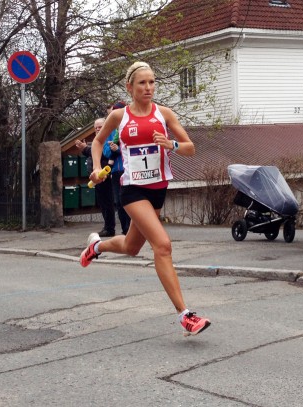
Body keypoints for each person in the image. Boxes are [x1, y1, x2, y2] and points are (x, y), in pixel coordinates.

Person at [79, 61, 211, 336]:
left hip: (158, 189)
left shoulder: (164, 114)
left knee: (131, 247)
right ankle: (185, 315)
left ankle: (96, 247)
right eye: (142, 83)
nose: (148, 87)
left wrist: (171, 144)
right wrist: (95, 167)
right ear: (130, 87)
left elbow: (190, 148)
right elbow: (98, 141)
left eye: (152, 82)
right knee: (162, 245)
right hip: (132, 190)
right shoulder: (119, 117)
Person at [75, 118, 116, 237]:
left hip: (104, 176)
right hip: (96, 179)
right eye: (96, 127)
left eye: (100, 126)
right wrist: (84, 149)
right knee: (103, 203)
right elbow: (92, 153)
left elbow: (102, 154)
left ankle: (109, 229)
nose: (98, 129)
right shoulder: (96, 140)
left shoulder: (108, 139)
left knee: (107, 203)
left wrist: (85, 148)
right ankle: (107, 227)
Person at [104, 101, 131, 235]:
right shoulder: (111, 131)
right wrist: (113, 150)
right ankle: (125, 229)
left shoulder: (129, 126)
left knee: (130, 201)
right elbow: (106, 152)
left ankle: (133, 229)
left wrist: (118, 149)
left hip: (129, 169)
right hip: (116, 171)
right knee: (119, 202)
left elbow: (131, 148)